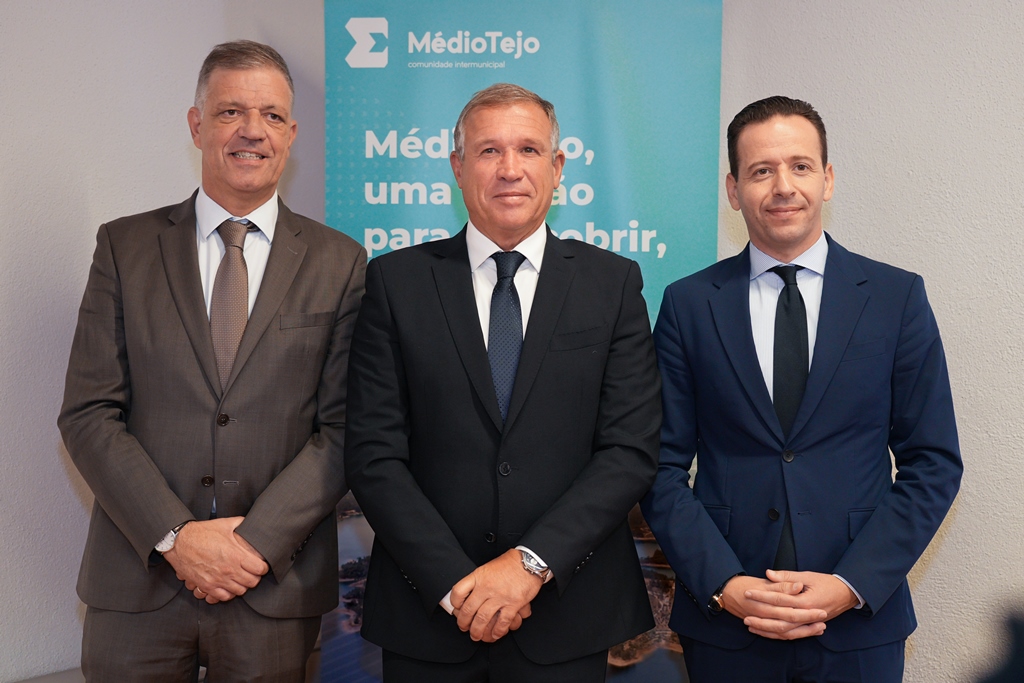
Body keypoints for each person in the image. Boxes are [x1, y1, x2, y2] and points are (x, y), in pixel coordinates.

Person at [58, 40, 365, 681]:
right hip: (137, 584)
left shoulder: (341, 262)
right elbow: (89, 413)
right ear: (197, 125)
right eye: (231, 112)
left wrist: (252, 544)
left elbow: (344, 430)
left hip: (270, 589)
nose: (253, 130)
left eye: (272, 115)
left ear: (291, 135)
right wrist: (177, 536)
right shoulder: (124, 247)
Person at [344, 83, 662, 682]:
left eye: (529, 150)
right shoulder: (396, 282)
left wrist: (529, 565)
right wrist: (454, 584)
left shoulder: (612, 283)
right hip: (429, 616)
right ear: (457, 167)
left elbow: (629, 450)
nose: (510, 169)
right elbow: (373, 453)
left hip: (567, 615)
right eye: (489, 151)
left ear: (557, 167)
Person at [641, 96, 962, 682]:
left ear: (827, 179)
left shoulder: (895, 298)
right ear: (734, 190)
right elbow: (659, 467)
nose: (783, 186)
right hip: (728, 627)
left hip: (859, 627)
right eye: (761, 171)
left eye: (800, 166)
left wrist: (851, 583)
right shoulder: (688, 305)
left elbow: (933, 462)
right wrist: (723, 583)